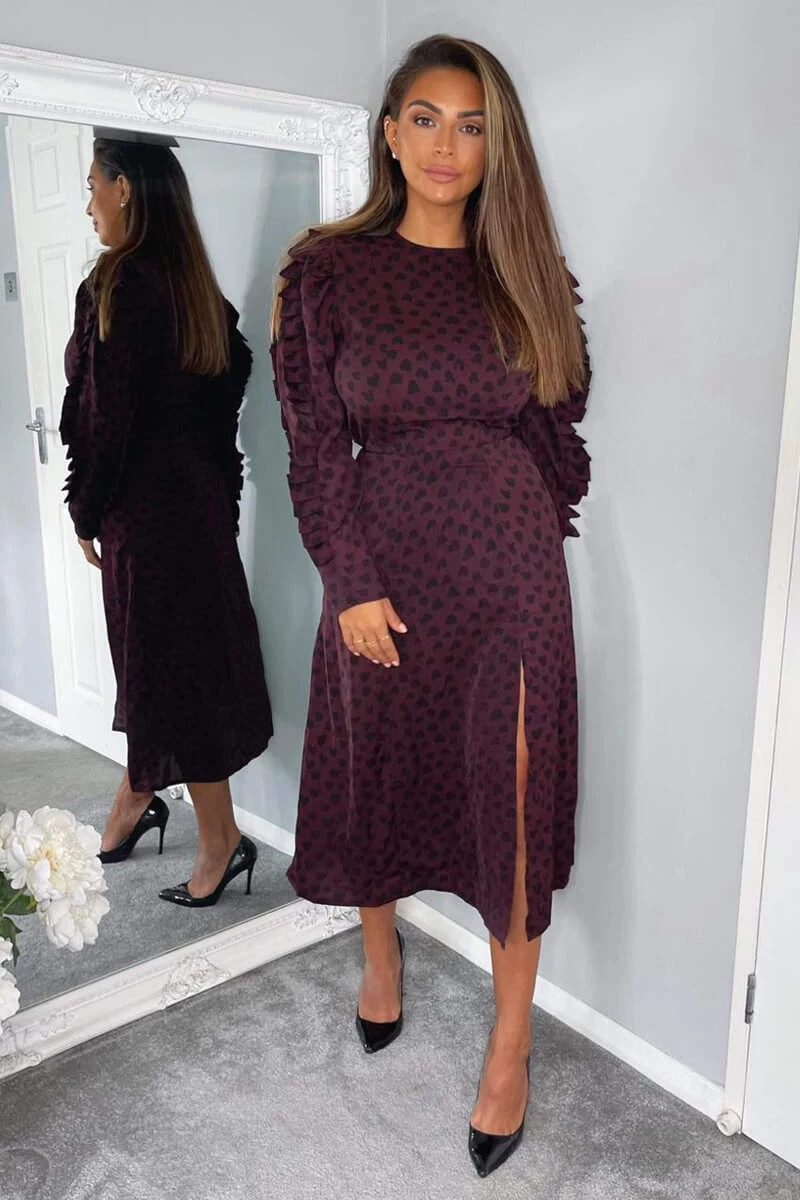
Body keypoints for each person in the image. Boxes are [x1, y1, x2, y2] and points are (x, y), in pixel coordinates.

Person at [271, 34, 590, 1177]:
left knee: (513, 791)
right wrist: (349, 577)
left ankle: (509, 1046)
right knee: (378, 761)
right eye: (424, 117)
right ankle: (380, 953)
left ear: (496, 144)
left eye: (471, 124)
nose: (446, 145)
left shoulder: (526, 274)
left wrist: (521, 530)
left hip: (507, 571)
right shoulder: (327, 272)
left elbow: (551, 433)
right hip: (383, 564)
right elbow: (314, 442)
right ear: (390, 132)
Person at [61, 129, 273, 907]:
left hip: (146, 523)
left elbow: (103, 419)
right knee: (174, 673)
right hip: (200, 517)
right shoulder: (199, 296)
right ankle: (139, 794)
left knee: (170, 679)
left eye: (93, 186)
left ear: (124, 187)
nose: (89, 204)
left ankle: (220, 840)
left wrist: (85, 508)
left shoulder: (116, 285)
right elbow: (222, 429)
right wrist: (223, 515)